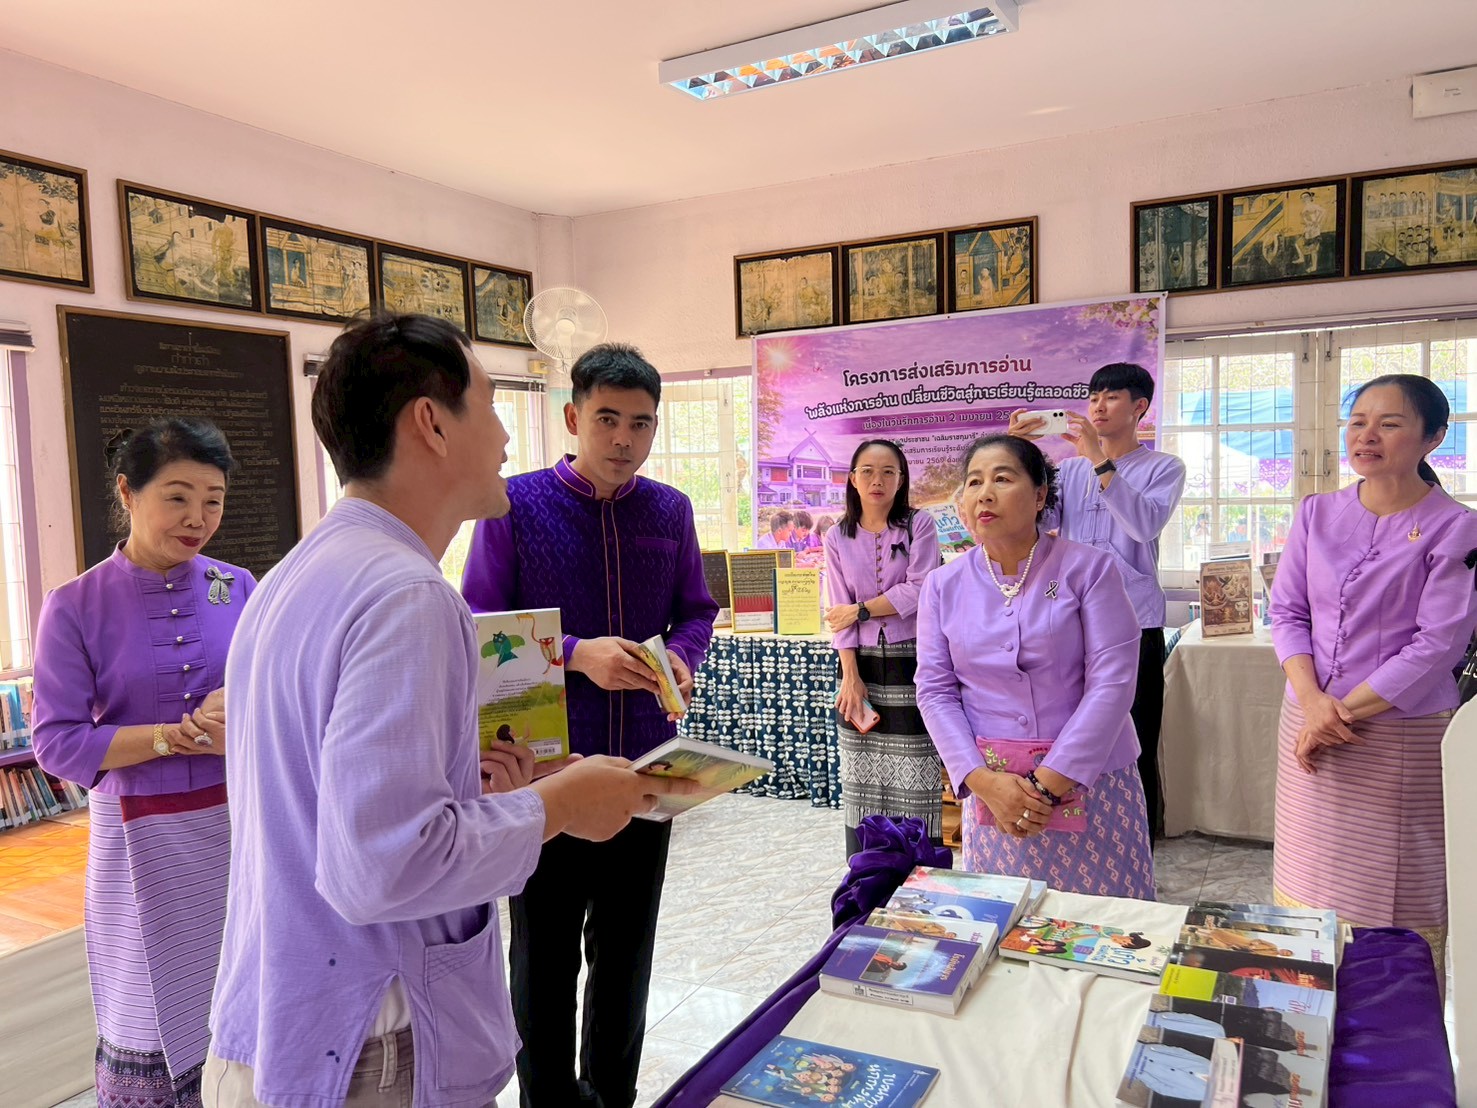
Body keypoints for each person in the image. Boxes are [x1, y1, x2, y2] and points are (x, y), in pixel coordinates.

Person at [204, 316, 690, 1108]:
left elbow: (340, 803)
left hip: (288, 1023)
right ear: (430, 423)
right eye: (492, 404)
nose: (506, 436)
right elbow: (381, 867)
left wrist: (478, 792)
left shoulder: (301, 569)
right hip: (370, 1047)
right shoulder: (408, 596)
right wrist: (560, 803)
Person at [462, 341, 718, 1108]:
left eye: (640, 424)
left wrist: (681, 656)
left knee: (627, 955)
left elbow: (696, 611)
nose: (622, 439)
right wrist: (576, 655)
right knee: (542, 958)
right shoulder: (512, 506)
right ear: (572, 418)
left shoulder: (669, 510)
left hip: (645, 768)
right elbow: (478, 623)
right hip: (545, 772)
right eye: (607, 419)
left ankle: (613, 1095)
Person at [31, 417, 252, 1107]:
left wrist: (242, 714)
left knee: (245, 997)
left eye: (213, 500)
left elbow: (275, 699)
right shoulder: (74, 605)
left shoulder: (238, 586)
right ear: (128, 492)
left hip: (239, 828)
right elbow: (57, 742)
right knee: (147, 1005)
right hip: (136, 836)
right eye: (177, 497)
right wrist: (170, 737)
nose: (198, 518)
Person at [1269, 373, 1477, 981]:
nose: (1367, 436)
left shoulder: (1455, 526)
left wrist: (1335, 714)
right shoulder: (1316, 512)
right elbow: (1287, 612)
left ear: (1433, 438)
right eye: (1358, 422)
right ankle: (1304, 1000)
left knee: (1393, 890)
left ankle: (1392, 1014)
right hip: (1307, 720)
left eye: (1389, 424)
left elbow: (1438, 642)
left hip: (1397, 734)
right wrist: (1313, 705)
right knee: (1308, 874)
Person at [916, 435, 1154, 897]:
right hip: (996, 794)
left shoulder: (1089, 570)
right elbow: (935, 690)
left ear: (1041, 494)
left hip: (1093, 784)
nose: (985, 493)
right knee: (1007, 921)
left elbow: (1113, 683)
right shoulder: (942, 585)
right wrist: (982, 781)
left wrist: (1047, 786)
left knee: (1106, 925)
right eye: (974, 482)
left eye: (1002, 479)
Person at [1010, 362, 1186, 840]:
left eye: (1111, 397)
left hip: (1134, 621)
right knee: (1071, 729)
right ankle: (1080, 834)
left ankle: (1139, 840)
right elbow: (1036, 521)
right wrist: (1020, 455)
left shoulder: (1163, 467)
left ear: (1139, 407)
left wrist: (1098, 459)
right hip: (1067, 619)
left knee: (1135, 736)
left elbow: (1143, 525)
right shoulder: (1068, 471)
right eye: (1093, 398)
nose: (1098, 407)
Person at [822, 439, 944, 856]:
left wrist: (861, 610)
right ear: (853, 480)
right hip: (858, 665)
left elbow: (921, 588)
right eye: (868, 471)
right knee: (861, 770)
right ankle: (867, 866)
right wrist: (850, 677)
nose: (878, 480)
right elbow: (837, 612)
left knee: (916, 764)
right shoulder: (836, 536)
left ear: (901, 479)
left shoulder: (918, 525)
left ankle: (920, 865)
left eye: (888, 471)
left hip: (913, 659)